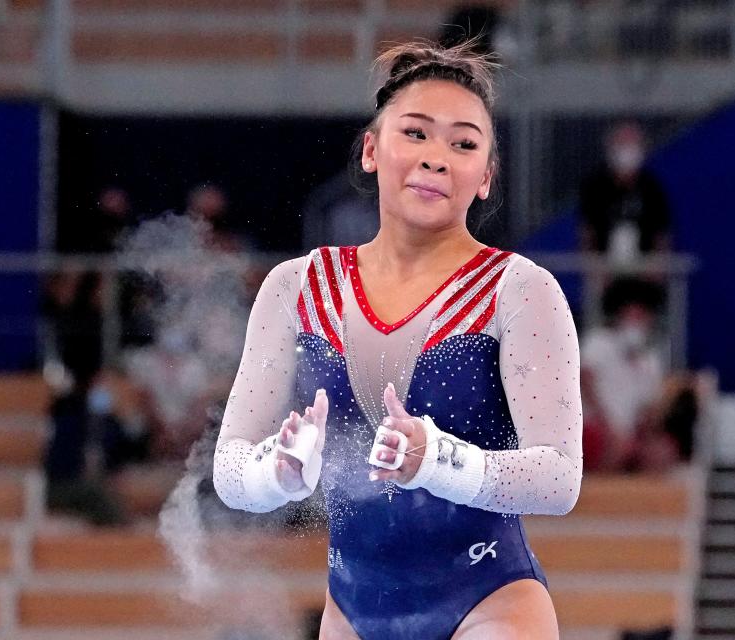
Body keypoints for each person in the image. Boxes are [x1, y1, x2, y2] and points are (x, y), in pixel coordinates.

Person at [213, 40, 583, 640]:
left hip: (489, 602)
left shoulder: (518, 292)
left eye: (463, 144)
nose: (437, 157)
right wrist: (275, 472)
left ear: (485, 178)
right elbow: (230, 474)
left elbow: (560, 480)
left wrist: (439, 461)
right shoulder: (295, 289)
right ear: (369, 150)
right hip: (353, 613)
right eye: (415, 133)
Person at [579, 277, 692, 473]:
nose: (636, 322)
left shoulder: (650, 360)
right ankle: (596, 495)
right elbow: (584, 383)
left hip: (628, 434)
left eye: (641, 316)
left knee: (663, 451)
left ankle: (641, 500)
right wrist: (608, 427)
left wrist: (650, 435)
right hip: (593, 427)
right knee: (619, 447)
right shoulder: (599, 343)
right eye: (631, 316)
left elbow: (647, 408)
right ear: (618, 315)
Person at [578, 120, 671, 265]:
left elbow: (662, 232)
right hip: (606, 268)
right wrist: (594, 267)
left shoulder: (652, 188)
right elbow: (588, 232)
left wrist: (658, 265)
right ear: (611, 147)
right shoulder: (595, 187)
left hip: (646, 269)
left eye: (632, 145)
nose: (627, 151)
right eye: (622, 144)